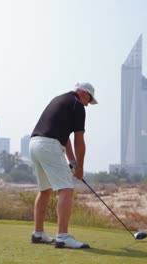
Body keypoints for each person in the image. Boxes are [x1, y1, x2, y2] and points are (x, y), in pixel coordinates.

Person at [29, 82, 97, 249]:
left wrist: (72, 162)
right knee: (66, 188)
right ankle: (63, 237)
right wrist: (80, 168)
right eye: (89, 99)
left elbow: (64, 136)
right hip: (49, 145)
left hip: (34, 144)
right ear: (83, 93)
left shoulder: (59, 100)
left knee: (45, 189)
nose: (88, 104)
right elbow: (79, 141)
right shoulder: (77, 105)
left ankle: (38, 233)